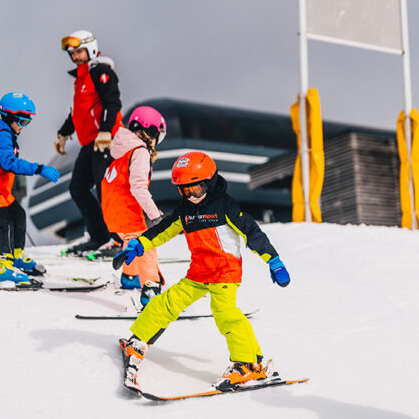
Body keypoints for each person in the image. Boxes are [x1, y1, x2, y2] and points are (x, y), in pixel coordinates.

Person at [115, 152, 291, 391]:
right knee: (166, 303)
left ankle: (248, 364)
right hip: (198, 273)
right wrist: (140, 244)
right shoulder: (185, 210)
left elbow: (252, 232)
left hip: (224, 273)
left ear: (209, 182)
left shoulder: (225, 206)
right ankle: (138, 342)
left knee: (226, 314)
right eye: (184, 191)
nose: (190, 196)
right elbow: (164, 229)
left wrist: (274, 261)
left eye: (195, 190)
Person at [0, 92, 60, 283]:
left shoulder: (5, 132)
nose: (23, 127)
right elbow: (8, 163)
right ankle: (2, 266)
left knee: (18, 215)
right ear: (9, 117)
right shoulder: (2, 135)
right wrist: (39, 168)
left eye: (27, 122)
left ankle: (14, 256)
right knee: (3, 223)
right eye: (22, 122)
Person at [55, 29, 123, 255]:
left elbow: (112, 103)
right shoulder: (81, 80)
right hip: (90, 144)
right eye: (72, 53)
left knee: (107, 190)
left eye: (79, 51)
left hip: (107, 141)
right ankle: (99, 236)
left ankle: (119, 239)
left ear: (91, 49)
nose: (75, 56)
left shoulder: (101, 72)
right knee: (78, 188)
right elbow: (78, 113)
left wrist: (105, 132)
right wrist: (63, 134)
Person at [101, 106, 167, 306]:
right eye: (158, 136)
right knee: (146, 244)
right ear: (151, 131)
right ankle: (151, 289)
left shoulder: (121, 150)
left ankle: (130, 278)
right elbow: (138, 187)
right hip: (127, 211)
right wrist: (154, 215)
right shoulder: (140, 151)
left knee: (131, 240)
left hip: (112, 212)